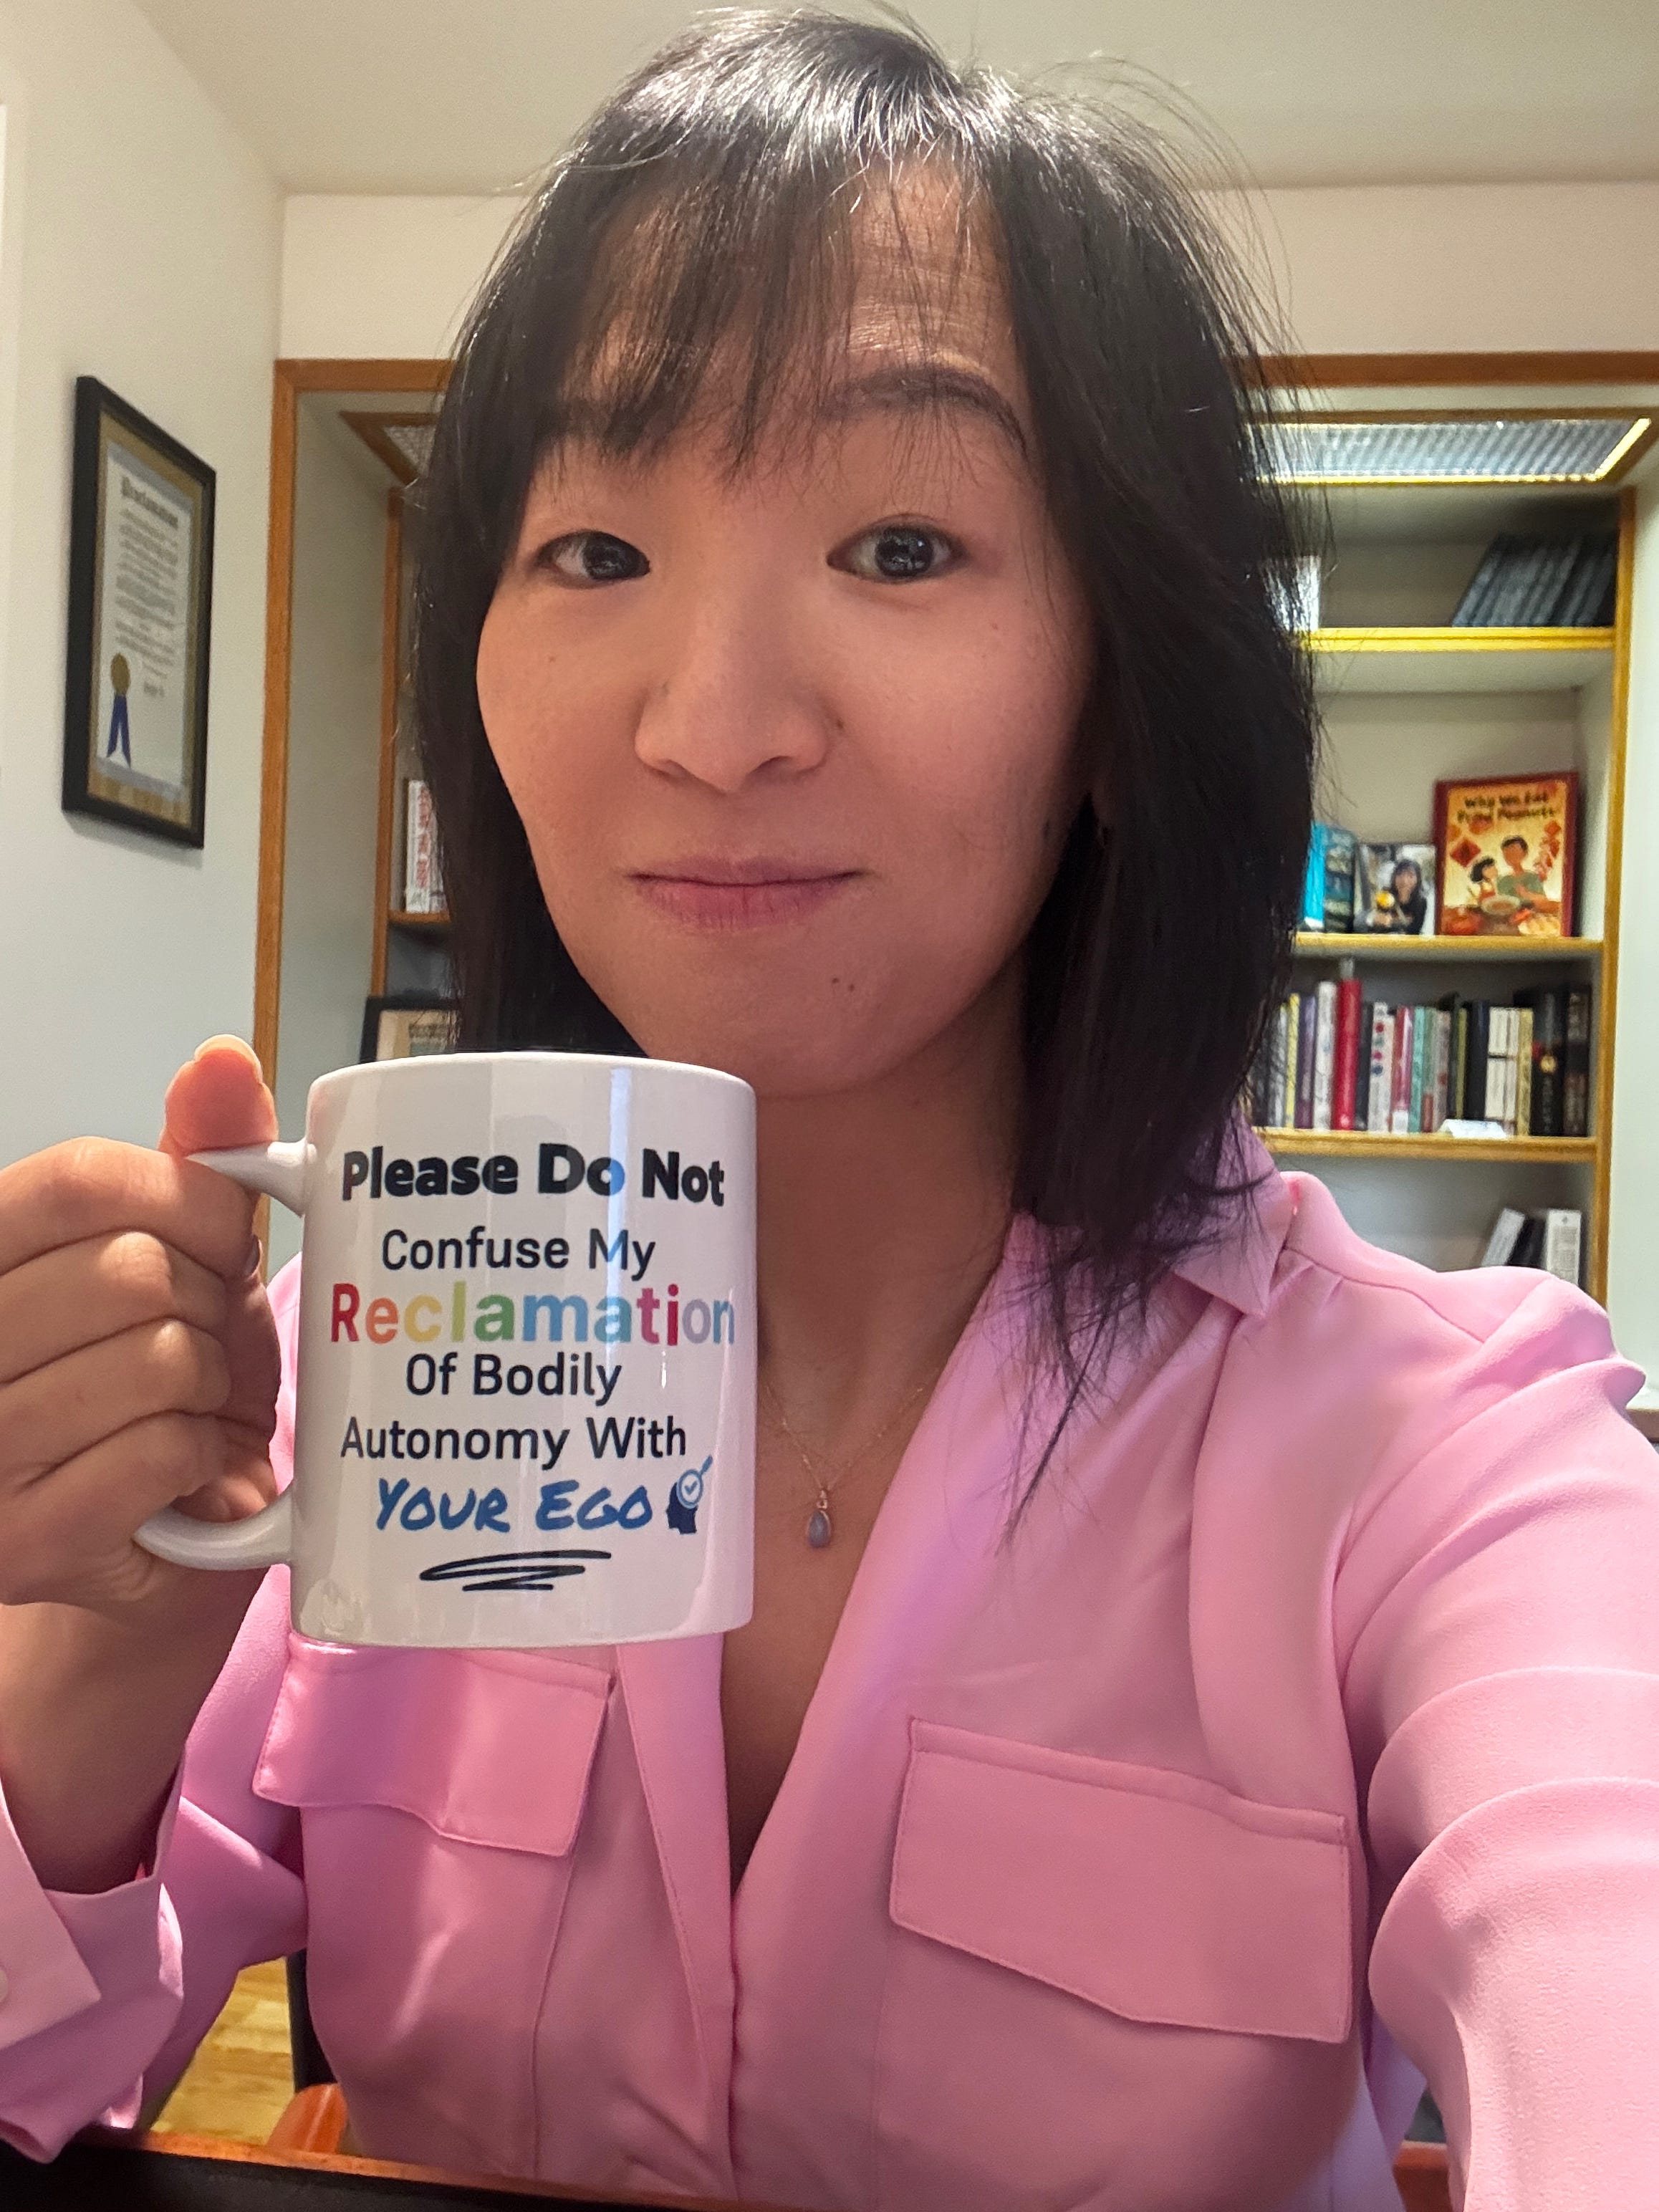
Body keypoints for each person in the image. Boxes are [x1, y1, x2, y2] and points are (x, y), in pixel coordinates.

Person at [1, 16, 1656, 2210]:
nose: (714, 723)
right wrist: (80, 1704)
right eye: (596, 551)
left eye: (897, 544)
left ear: (1117, 682)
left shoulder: (1434, 1452)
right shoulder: (346, 1375)